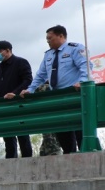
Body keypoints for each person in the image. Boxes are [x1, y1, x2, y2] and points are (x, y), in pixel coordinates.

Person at [21, 24, 90, 153]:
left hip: (74, 94)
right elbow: (40, 75)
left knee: (80, 129)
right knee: (63, 131)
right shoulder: (48, 55)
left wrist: (82, 82)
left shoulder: (75, 49)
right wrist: (30, 89)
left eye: (50, 38)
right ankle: (69, 155)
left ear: (61, 36)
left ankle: (85, 155)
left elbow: (86, 66)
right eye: (47, 39)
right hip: (57, 97)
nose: (48, 41)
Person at [0, 40, 33, 158]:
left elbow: (28, 80)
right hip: (3, 106)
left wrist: (15, 93)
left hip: (18, 104)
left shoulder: (21, 62)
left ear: (8, 51)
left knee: (22, 134)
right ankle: (10, 159)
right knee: (7, 135)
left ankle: (27, 159)